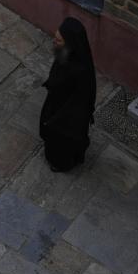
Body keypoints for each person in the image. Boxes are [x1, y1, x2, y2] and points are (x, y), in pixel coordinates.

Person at [39, 17, 97, 172]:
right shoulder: (65, 53)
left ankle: (61, 164)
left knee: (62, 141)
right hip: (57, 104)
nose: (54, 42)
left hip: (68, 114)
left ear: (70, 43)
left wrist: (59, 117)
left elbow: (82, 98)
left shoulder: (81, 69)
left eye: (58, 40)